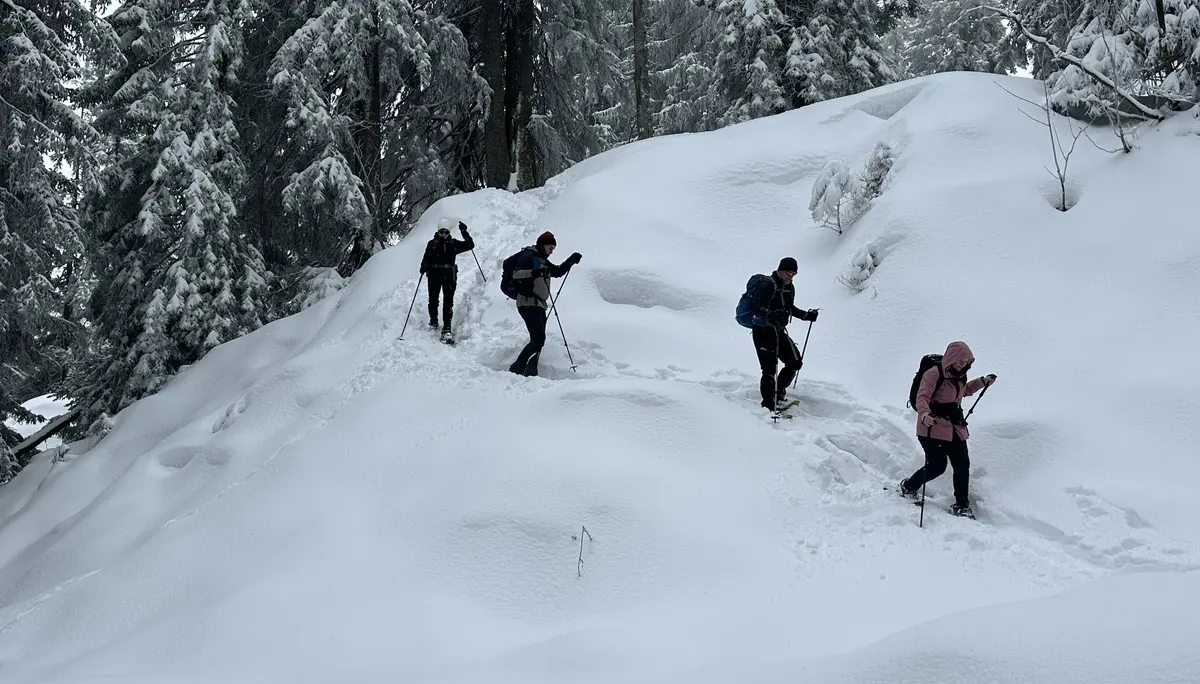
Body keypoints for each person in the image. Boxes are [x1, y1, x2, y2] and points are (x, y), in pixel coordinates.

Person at [899, 340, 997, 518]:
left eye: (966, 361)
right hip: (931, 425)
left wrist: (982, 382)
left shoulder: (960, 375)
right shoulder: (933, 374)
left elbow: (964, 391)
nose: (963, 364)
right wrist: (924, 414)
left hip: (954, 426)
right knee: (937, 466)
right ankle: (908, 487)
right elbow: (922, 396)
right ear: (951, 358)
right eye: (960, 360)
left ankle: (962, 505)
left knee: (962, 464)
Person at [746, 257, 819, 411]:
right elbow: (756, 307)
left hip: (778, 331)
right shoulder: (766, 284)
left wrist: (806, 315)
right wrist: (769, 315)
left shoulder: (789, 287)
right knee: (769, 369)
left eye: (793, 274)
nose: (790, 277)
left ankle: (778, 393)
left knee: (795, 362)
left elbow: (789, 308)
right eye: (788, 273)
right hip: (762, 331)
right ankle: (768, 404)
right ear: (780, 270)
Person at [507, 231, 581, 376]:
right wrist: (535, 273)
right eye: (550, 248)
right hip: (527, 302)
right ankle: (519, 367)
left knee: (538, 338)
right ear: (542, 245)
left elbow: (558, 272)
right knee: (539, 338)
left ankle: (526, 367)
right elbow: (516, 274)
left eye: (553, 249)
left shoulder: (542, 260)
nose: (551, 251)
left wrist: (570, 261)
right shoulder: (528, 256)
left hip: (539, 304)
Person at [420, 218, 475, 339]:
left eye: (446, 232)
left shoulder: (454, 244)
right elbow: (426, 257)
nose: (443, 234)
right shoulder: (432, 244)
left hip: (449, 276)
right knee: (433, 300)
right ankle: (433, 321)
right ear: (438, 231)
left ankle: (447, 327)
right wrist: (423, 267)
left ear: (449, 232)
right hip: (434, 275)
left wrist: (464, 232)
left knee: (448, 302)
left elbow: (470, 245)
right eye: (441, 232)